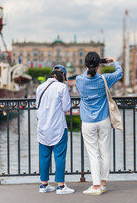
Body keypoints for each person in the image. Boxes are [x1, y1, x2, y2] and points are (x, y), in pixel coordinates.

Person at [76, 52, 123, 195]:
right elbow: (119, 73)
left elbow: (87, 73)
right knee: (105, 151)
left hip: (88, 122)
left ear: (85, 65)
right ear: (98, 65)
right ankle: (102, 183)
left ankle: (96, 185)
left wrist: (93, 66)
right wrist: (113, 61)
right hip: (103, 120)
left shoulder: (79, 79)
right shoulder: (105, 79)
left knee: (93, 154)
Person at [36, 65, 75, 195]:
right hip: (57, 127)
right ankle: (60, 186)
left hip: (42, 127)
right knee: (59, 156)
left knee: (44, 156)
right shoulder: (62, 87)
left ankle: (44, 185)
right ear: (62, 75)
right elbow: (66, 107)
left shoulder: (40, 87)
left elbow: (37, 106)